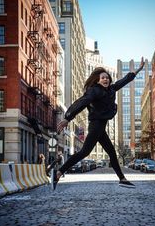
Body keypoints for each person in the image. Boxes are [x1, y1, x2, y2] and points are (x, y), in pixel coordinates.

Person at [51, 57, 145, 190]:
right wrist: (68, 117)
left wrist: (137, 70)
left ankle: (122, 179)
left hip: (101, 127)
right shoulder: (94, 91)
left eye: (107, 77)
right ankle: (58, 173)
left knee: (112, 152)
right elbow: (82, 102)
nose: (106, 79)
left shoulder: (111, 89)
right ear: (97, 80)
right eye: (102, 78)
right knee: (84, 152)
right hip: (96, 125)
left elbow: (123, 81)